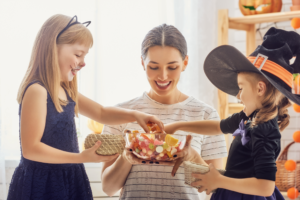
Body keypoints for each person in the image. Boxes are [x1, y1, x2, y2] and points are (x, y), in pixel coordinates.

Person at [7, 14, 163, 200]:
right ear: (52, 48)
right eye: (78, 54)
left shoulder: (66, 90)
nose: (83, 62)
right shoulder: (37, 91)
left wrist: (136, 115)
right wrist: (82, 157)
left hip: (69, 178)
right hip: (42, 184)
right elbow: (31, 149)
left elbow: (101, 113)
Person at [165, 27, 300, 200]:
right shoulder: (249, 116)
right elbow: (217, 126)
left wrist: (220, 180)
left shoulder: (265, 129)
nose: (238, 95)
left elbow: (266, 187)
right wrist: (176, 126)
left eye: (241, 88)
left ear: (260, 88)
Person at [101, 24, 227, 200]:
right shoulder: (121, 114)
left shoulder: (205, 115)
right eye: (153, 67)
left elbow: (216, 189)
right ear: (142, 63)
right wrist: (127, 156)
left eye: (172, 67)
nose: (163, 76)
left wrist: (191, 156)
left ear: (185, 63)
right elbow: (107, 188)